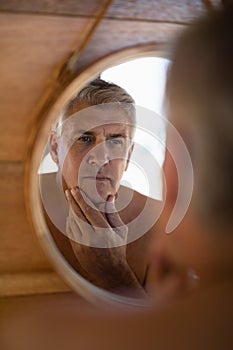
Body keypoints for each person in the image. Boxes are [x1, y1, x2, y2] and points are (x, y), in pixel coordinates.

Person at [40, 79, 169, 298]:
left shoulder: (161, 224)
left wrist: (114, 272)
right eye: (85, 138)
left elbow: (172, 330)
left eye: (115, 141)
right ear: (54, 148)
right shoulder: (12, 204)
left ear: (128, 156)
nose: (100, 158)